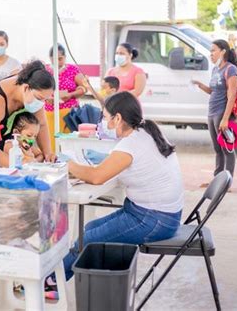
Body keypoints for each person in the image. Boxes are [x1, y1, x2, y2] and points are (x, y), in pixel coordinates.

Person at [62, 91, 184, 280]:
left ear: (118, 118)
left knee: (87, 241)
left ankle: (52, 282)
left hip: (154, 219)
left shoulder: (130, 144)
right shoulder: (148, 131)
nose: (103, 123)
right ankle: (86, 279)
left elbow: (96, 177)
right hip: (159, 214)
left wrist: (68, 164)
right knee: (90, 227)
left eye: (105, 117)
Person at [192, 39, 237, 183]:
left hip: (221, 114)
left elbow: (232, 95)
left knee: (227, 149)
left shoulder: (231, 69)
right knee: (217, 149)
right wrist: (200, 85)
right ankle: (217, 180)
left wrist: (225, 118)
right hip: (212, 113)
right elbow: (213, 91)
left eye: (213, 50)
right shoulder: (215, 69)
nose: (210, 53)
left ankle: (227, 182)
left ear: (223, 52)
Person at [45, 44, 87, 149]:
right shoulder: (45, 71)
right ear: (50, 58)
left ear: (65, 57)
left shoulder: (73, 70)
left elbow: (84, 88)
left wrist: (71, 95)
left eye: (60, 59)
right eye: (54, 59)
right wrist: (46, 98)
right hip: (50, 113)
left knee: (69, 143)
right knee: (52, 142)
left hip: (69, 113)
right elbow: (36, 91)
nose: (57, 62)